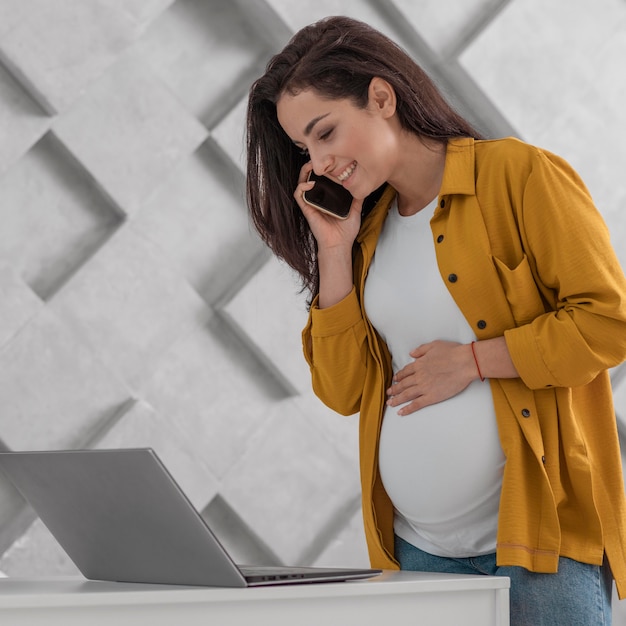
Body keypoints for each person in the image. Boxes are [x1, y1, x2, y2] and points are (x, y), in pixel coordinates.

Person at [246, 15, 626, 625]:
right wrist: (335, 251)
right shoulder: (365, 235)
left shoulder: (519, 176)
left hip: (540, 543)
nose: (318, 162)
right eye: (304, 150)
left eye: (325, 133)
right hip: (418, 554)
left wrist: (475, 361)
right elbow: (343, 391)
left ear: (381, 96)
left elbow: (609, 322)